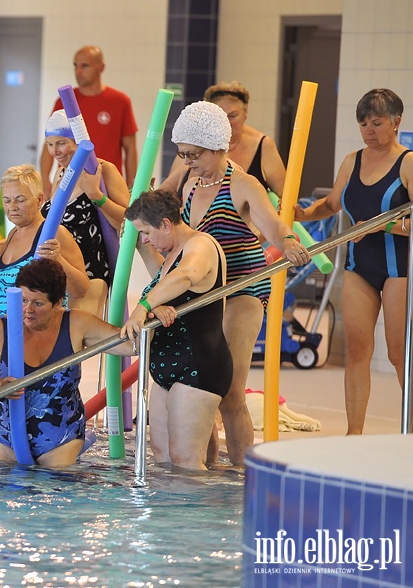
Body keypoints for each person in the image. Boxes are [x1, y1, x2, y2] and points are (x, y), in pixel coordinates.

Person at [163, 100, 310, 466]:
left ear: (218, 146)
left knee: (229, 390)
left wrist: (288, 241)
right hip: (202, 294)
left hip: (242, 288)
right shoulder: (190, 183)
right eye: (182, 155)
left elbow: (272, 223)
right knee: (201, 388)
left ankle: (245, 476)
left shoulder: (243, 184)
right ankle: (208, 468)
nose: (187, 162)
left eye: (193, 154)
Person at [294, 88, 412, 435]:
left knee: (398, 353)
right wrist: (300, 214)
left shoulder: (407, 162)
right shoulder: (352, 160)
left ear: (396, 122)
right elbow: (331, 205)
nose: (369, 130)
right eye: (363, 124)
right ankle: (353, 434)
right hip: (360, 266)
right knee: (357, 352)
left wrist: (381, 224)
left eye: (377, 123)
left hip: (399, 268)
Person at [0, 258, 129, 468]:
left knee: (55, 487)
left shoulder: (76, 323)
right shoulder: (0, 328)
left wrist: (147, 309)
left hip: (61, 440)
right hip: (8, 438)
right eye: (23, 300)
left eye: (38, 303)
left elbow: (131, 346)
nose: (28, 309)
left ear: (57, 303)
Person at [121, 191, 233, 470]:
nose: (144, 239)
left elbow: (186, 276)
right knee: (163, 458)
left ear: (166, 224)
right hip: (167, 367)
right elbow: (167, 280)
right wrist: (154, 306)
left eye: (146, 232)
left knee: (186, 461)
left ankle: (199, 515)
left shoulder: (201, 246)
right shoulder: (172, 255)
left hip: (198, 366)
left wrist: (143, 306)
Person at [42, 109, 130, 317]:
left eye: (61, 143)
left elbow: (130, 222)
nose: (55, 151)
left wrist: (96, 196)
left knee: (77, 345)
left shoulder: (102, 170)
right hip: (57, 271)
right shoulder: (61, 172)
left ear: (78, 141)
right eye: (50, 144)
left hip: (90, 273)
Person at [0, 164, 89, 322]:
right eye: (7, 200)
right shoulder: (13, 234)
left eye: (20, 199)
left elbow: (81, 290)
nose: (12, 207)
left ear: (39, 200)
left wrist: (58, 260)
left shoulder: (54, 233)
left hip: (35, 337)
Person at [157, 82, 286, 198]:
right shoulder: (192, 146)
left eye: (233, 116)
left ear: (245, 114)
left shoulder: (262, 146)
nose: (226, 122)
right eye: (220, 117)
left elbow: (285, 197)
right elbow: (164, 197)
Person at [40, 45, 138, 191]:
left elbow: (130, 149)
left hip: (108, 182)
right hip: (70, 182)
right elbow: (50, 142)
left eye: (85, 66)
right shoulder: (64, 101)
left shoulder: (120, 101)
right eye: (75, 66)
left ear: (101, 67)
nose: (78, 71)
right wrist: (45, 179)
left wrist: (132, 186)